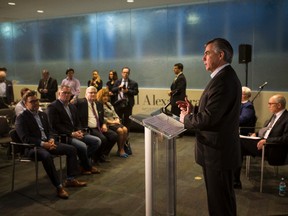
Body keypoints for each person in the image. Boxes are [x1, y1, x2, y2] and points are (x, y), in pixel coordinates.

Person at [177, 38, 241, 216]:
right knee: (220, 201)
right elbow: (216, 112)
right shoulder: (223, 77)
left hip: (218, 154)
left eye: (206, 53)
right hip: (218, 152)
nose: (202, 58)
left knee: (220, 205)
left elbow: (209, 119)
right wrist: (194, 110)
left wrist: (186, 118)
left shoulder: (223, 80)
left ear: (220, 55)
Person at [15, 90, 87, 199]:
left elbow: (50, 131)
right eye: (32, 101)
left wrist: (52, 139)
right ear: (25, 103)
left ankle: (70, 179)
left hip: (48, 143)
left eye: (36, 100)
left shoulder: (43, 114)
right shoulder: (21, 118)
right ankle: (59, 187)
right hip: (32, 147)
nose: (35, 103)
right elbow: (26, 139)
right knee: (47, 156)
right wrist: (44, 144)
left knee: (72, 149)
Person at [234, 94, 288, 189]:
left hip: (272, 147)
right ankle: (235, 180)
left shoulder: (286, 118)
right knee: (238, 143)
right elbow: (268, 130)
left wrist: (266, 140)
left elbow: (285, 139)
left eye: (270, 104)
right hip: (262, 142)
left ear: (279, 105)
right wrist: (257, 133)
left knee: (238, 143)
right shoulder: (275, 116)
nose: (268, 106)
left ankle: (235, 181)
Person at [47, 85, 101, 175]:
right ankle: (86, 166)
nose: (67, 95)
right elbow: (55, 126)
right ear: (59, 93)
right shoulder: (53, 107)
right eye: (64, 93)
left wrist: (79, 130)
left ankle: (80, 163)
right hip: (64, 136)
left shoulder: (71, 106)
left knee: (97, 141)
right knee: (82, 146)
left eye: (69, 93)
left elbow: (78, 122)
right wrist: (71, 133)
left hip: (76, 133)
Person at [75, 86, 118, 163]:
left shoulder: (98, 104)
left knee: (114, 136)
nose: (93, 94)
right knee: (103, 139)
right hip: (88, 128)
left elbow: (102, 117)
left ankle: (102, 154)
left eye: (94, 93)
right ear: (86, 94)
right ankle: (92, 157)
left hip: (99, 126)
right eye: (91, 93)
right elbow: (72, 104)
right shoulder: (81, 102)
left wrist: (104, 124)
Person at [97, 88, 129, 158]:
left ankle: (121, 148)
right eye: (104, 96)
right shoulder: (98, 105)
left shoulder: (108, 104)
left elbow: (114, 113)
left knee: (125, 129)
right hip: (107, 123)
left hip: (114, 122)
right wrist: (112, 121)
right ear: (100, 96)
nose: (106, 97)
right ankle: (121, 150)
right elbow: (101, 117)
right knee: (120, 131)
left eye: (107, 96)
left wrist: (117, 119)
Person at [112, 66, 139, 132]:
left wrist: (128, 91)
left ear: (129, 73)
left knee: (127, 120)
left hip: (128, 104)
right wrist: (118, 87)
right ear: (121, 73)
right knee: (118, 119)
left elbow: (136, 92)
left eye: (127, 72)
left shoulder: (133, 83)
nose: (125, 74)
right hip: (118, 103)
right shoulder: (117, 82)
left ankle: (126, 136)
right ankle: (119, 134)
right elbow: (113, 90)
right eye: (124, 72)